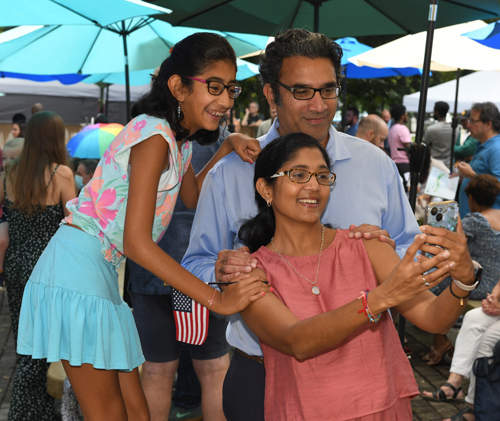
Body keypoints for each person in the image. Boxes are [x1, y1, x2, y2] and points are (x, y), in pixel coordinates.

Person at [16, 32, 269, 421]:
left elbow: (190, 198)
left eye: (231, 89)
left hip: (99, 274)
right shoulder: (152, 135)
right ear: (177, 86)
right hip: (77, 272)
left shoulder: (177, 141)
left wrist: (226, 145)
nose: (225, 101)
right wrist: (215, 299)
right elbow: (136, 243)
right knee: (110, 413)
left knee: (138, 411)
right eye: (214, 87)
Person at [181, 29, 425, 421]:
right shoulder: (231, 173)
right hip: (261, 372)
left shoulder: (374, 163)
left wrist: (382, 252)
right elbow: (195, 263)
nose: (318, 105)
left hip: (364, 374)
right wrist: (222, 270)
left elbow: (409, 255)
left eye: (328, 90)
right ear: (270, 94)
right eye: (302, 91)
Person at [237, 132, 475, 420]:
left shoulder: (366, 244)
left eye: (323, 176)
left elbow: (434, 318)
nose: (313, 186)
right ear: (266, 188)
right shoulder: (249, 270)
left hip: (383, 408)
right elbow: (295, 341)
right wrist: (380, 298)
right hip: (303, 411)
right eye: (298, 174)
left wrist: (462, 281)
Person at [127, 129, 229, 420]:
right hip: (203, 267)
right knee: (213, 367)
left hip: (152, 264)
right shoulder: (220, 139)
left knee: (157, 369)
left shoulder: (147, 134)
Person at [0, 111, 76, 420]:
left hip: (17, 266)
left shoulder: (11, 174)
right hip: (48, 269)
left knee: (26, 345)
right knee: (45, 348)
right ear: (56, 138)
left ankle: (36, 412)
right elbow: (75, 223)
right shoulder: (61, 174)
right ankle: (24, 412)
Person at [421, 174, 500, 366]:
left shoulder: (475, 220)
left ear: (471, 199)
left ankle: (440, 341)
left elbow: (450, 242)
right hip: (497, 285)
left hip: (478, 283)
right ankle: (439, 342)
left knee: (432, 284)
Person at [457, 102, 500, 218]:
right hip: (476, 222)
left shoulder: (496, 149)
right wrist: (464, 177)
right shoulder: (484, 145)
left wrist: (472, 176)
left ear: (488, 124)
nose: (468, 125)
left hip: (485, 228)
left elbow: (498, 185)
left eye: (473, 121)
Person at [0, 138, 25, 290]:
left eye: (13, 158)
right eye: (4, 158)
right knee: (2, 239)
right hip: (7, 216)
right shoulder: (3, 177)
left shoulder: (28, 179)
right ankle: (1, 271)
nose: (7, 162)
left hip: (23, 218)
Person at [424, 101, 455, 168]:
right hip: (449, 165)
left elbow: (425, 145)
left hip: (434, 166)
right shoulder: (455, 129)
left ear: (437, 113)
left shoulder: (431, 129)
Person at [388, 104, 411, 192]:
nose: (407, 116)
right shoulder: (403, 129)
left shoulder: (392, 129)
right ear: (402, 116)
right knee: (406, 191)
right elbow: (407, 148)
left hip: (394, 164)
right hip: (404, 165)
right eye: (406, 114)